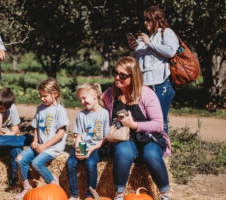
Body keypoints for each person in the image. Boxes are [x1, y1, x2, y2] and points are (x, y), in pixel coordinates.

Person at [102, 56, 171, 200]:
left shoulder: (146, 94)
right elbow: (97, 110)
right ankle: (119, 194)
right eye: (115, 73)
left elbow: (158, 124)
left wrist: (134, 125)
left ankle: (164, 193)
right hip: (124, 138)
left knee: (151, 155)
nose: (117, 78)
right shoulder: (110, 94)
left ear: (133, 77)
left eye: (122, 75)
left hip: (148, 137)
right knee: (123, 151)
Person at [127, 6, 179, 135]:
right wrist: (133, 48)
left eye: (148, 19)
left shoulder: (166, 32)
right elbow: (136, 61)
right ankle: (147, 146)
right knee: (143, 117)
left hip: (160, 84)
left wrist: (150, 43)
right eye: (144, 20)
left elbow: (171, 51)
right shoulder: (144, 37)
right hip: (143, 85)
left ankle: (163, 148)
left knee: (159, 118)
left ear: (157, 19)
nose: (145, 23)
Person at [15, 78, 69, 199]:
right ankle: (28, 186)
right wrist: (35, 141)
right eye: (40, 96)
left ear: (55, 94)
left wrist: (46, 146)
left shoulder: (60, 111)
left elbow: (61, 133)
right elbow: (36, 128)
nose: (42, 98)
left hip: (53, 147)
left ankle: (53, 183)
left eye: (45, 96)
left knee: (36, 163)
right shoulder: (40, 108)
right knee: (20, 159)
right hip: (40, 144)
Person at [0, 88, 33, 186]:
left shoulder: (12, 108)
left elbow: (15, 128)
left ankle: (15, 181)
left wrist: (10, 134)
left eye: (0, 108)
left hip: (7, 140)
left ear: (7, 108)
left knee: (16, 149)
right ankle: (27, 139)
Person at [67, 83, 110, 200]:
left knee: (90, 163)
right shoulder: (81, 115)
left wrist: (93, 149)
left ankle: (90, 195)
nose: (82, 101)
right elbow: (78, 136)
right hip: (83, 145)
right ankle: (74, 195)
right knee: (71, 163)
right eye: (80, 99)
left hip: (97, 146)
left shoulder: (105, 114)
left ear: (95, 95)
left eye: (84, 98)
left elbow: (105, 138)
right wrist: (77, 149)